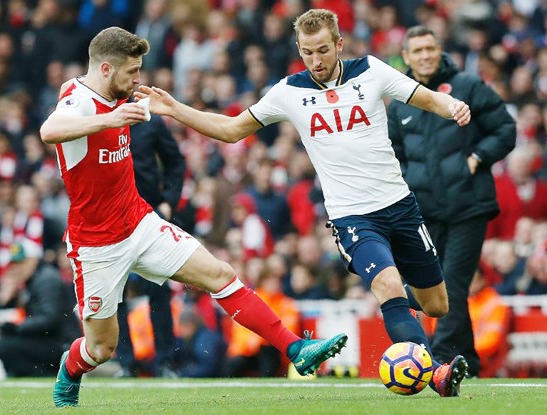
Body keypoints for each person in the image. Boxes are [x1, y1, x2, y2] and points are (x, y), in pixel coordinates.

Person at [136, 8, 472, 397]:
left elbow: (426, 98)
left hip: (400, 205)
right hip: (352, 217)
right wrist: (175, 109)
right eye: (308, 52)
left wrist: (452, 106)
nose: (316, 60)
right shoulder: (289, 92)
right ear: (299, 49)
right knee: (387, 283)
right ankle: (434, 374)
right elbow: (231, 130)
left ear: (339, 45)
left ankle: (398, 309)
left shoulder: (371, 71)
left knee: (436, 305)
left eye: (323, 50)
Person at [39, 26, 347, 408]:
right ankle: (70, 370)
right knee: (101, 348)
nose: (137, 79)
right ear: (105, 69)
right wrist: (110, 119)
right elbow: (49, 130)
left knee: (220, 274)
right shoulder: (80, 102)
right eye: (131, 71)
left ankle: (296, 348)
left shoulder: (112, 97)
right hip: (96, 244)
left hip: (139, 221)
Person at [387, 26, 516, 377]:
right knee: (437, 286)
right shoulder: (400, 103)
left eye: (430, 48)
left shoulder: (467, 86)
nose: (425, 55)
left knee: (453, 284)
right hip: (425, 212)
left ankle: (442, 361)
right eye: (417, 50)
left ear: (440, 49)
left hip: (468, 205)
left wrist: (477, 158)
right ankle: (467, 361)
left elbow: (505, 129)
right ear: (406, 57)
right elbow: (392, 155)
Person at [114, 107, 186, 378]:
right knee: (115, 292)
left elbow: (175, 161)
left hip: (148, 215)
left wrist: (169, 200)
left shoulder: (149, 121)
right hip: (113, 216)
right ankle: (126, 363)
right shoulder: (100, 119)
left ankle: (166, 362)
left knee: (158, 288)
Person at [0, 242, 81, 377]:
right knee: (6, 341)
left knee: (3, 346)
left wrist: (18, 327)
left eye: (21, 263)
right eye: (14, 264)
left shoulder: (47, 280)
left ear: (33, 261)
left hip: (63, 343)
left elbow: (50, 319)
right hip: (53, 340)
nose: (16, 268)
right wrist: (4, 300)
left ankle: (47, 375)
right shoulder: (34, 280)